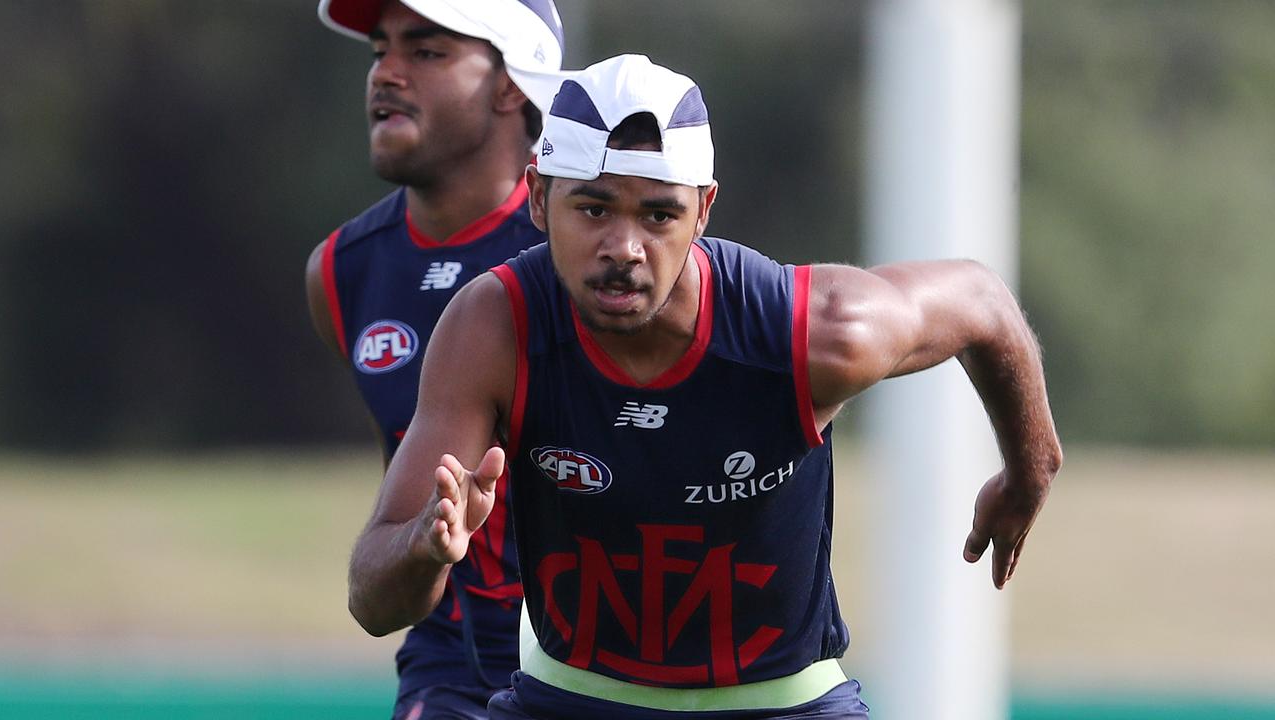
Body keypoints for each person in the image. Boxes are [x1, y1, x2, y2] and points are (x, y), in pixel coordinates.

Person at [352, 54, 1063, 719]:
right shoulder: (492, 327)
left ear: (704, 210)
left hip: (783, 704)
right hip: (568, 700)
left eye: (658, 214)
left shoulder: (815, 332)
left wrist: (1029, 470)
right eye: (593, 208)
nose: (623, 249)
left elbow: (980, 300)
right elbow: (372, 602)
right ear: (538, 198)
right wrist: (424, 547)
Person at [304, 1, 568, 717]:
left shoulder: (593, 262)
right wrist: (422, 545)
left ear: (512, 84)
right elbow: (401, 501)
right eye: (378, 51)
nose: (384, 73)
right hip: (449, 669)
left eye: (425, 51)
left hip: (608, 673)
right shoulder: (341, 270)